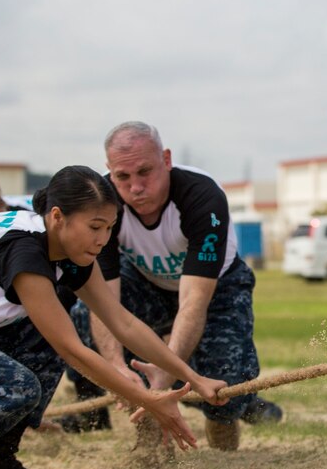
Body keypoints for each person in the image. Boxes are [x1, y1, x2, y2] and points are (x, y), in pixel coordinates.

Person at [0, 166, 227, 469]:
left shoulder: (69, 252)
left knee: (40, 354)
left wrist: (192, 376)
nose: (103, 239)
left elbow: (122, 322)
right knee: (17, 386)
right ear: (58, 217)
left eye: (109, 228)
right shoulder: (25, 253)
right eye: (94, 227)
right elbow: (73, 350)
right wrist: (148, 401)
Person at [64, 122, 280, 449]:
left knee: (225, 386)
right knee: (83, 315)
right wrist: (118, 369)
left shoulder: (201, 196)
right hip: (145, 280)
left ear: (166, 159)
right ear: (109, 172)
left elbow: (193, 303)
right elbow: (104, 302)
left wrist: (162, 380)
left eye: (145, 172)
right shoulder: (104, 205)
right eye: (123, 177)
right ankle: (141, 427)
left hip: (215, 286)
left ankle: (234, 411)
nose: (136, 187)